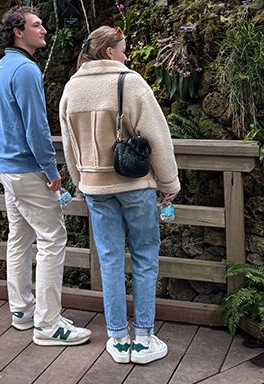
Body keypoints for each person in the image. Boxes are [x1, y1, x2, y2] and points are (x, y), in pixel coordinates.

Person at [57, 26, 179, 364]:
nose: (127, 55)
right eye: (124, 49)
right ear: (110, 51)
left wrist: (81, 179)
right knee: (144, 257)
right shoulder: (131, 82)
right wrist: (170, 183)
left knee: (109, 260)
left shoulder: (71, 88)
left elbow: (69, 146)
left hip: (96, 188)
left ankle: (117, 339)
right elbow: (158, 139)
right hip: (134, 185)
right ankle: (142, 339)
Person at [0, 6, 92, 346]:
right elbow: (36, 129)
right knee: (52, 238)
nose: (44, 29)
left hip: (4, 165)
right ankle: (48, 324)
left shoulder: (3, 66)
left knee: (19, 237)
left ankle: (22, 310)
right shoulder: (27, 70)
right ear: (18, 31)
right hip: (26, 167)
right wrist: (52, 171)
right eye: (36, 25)